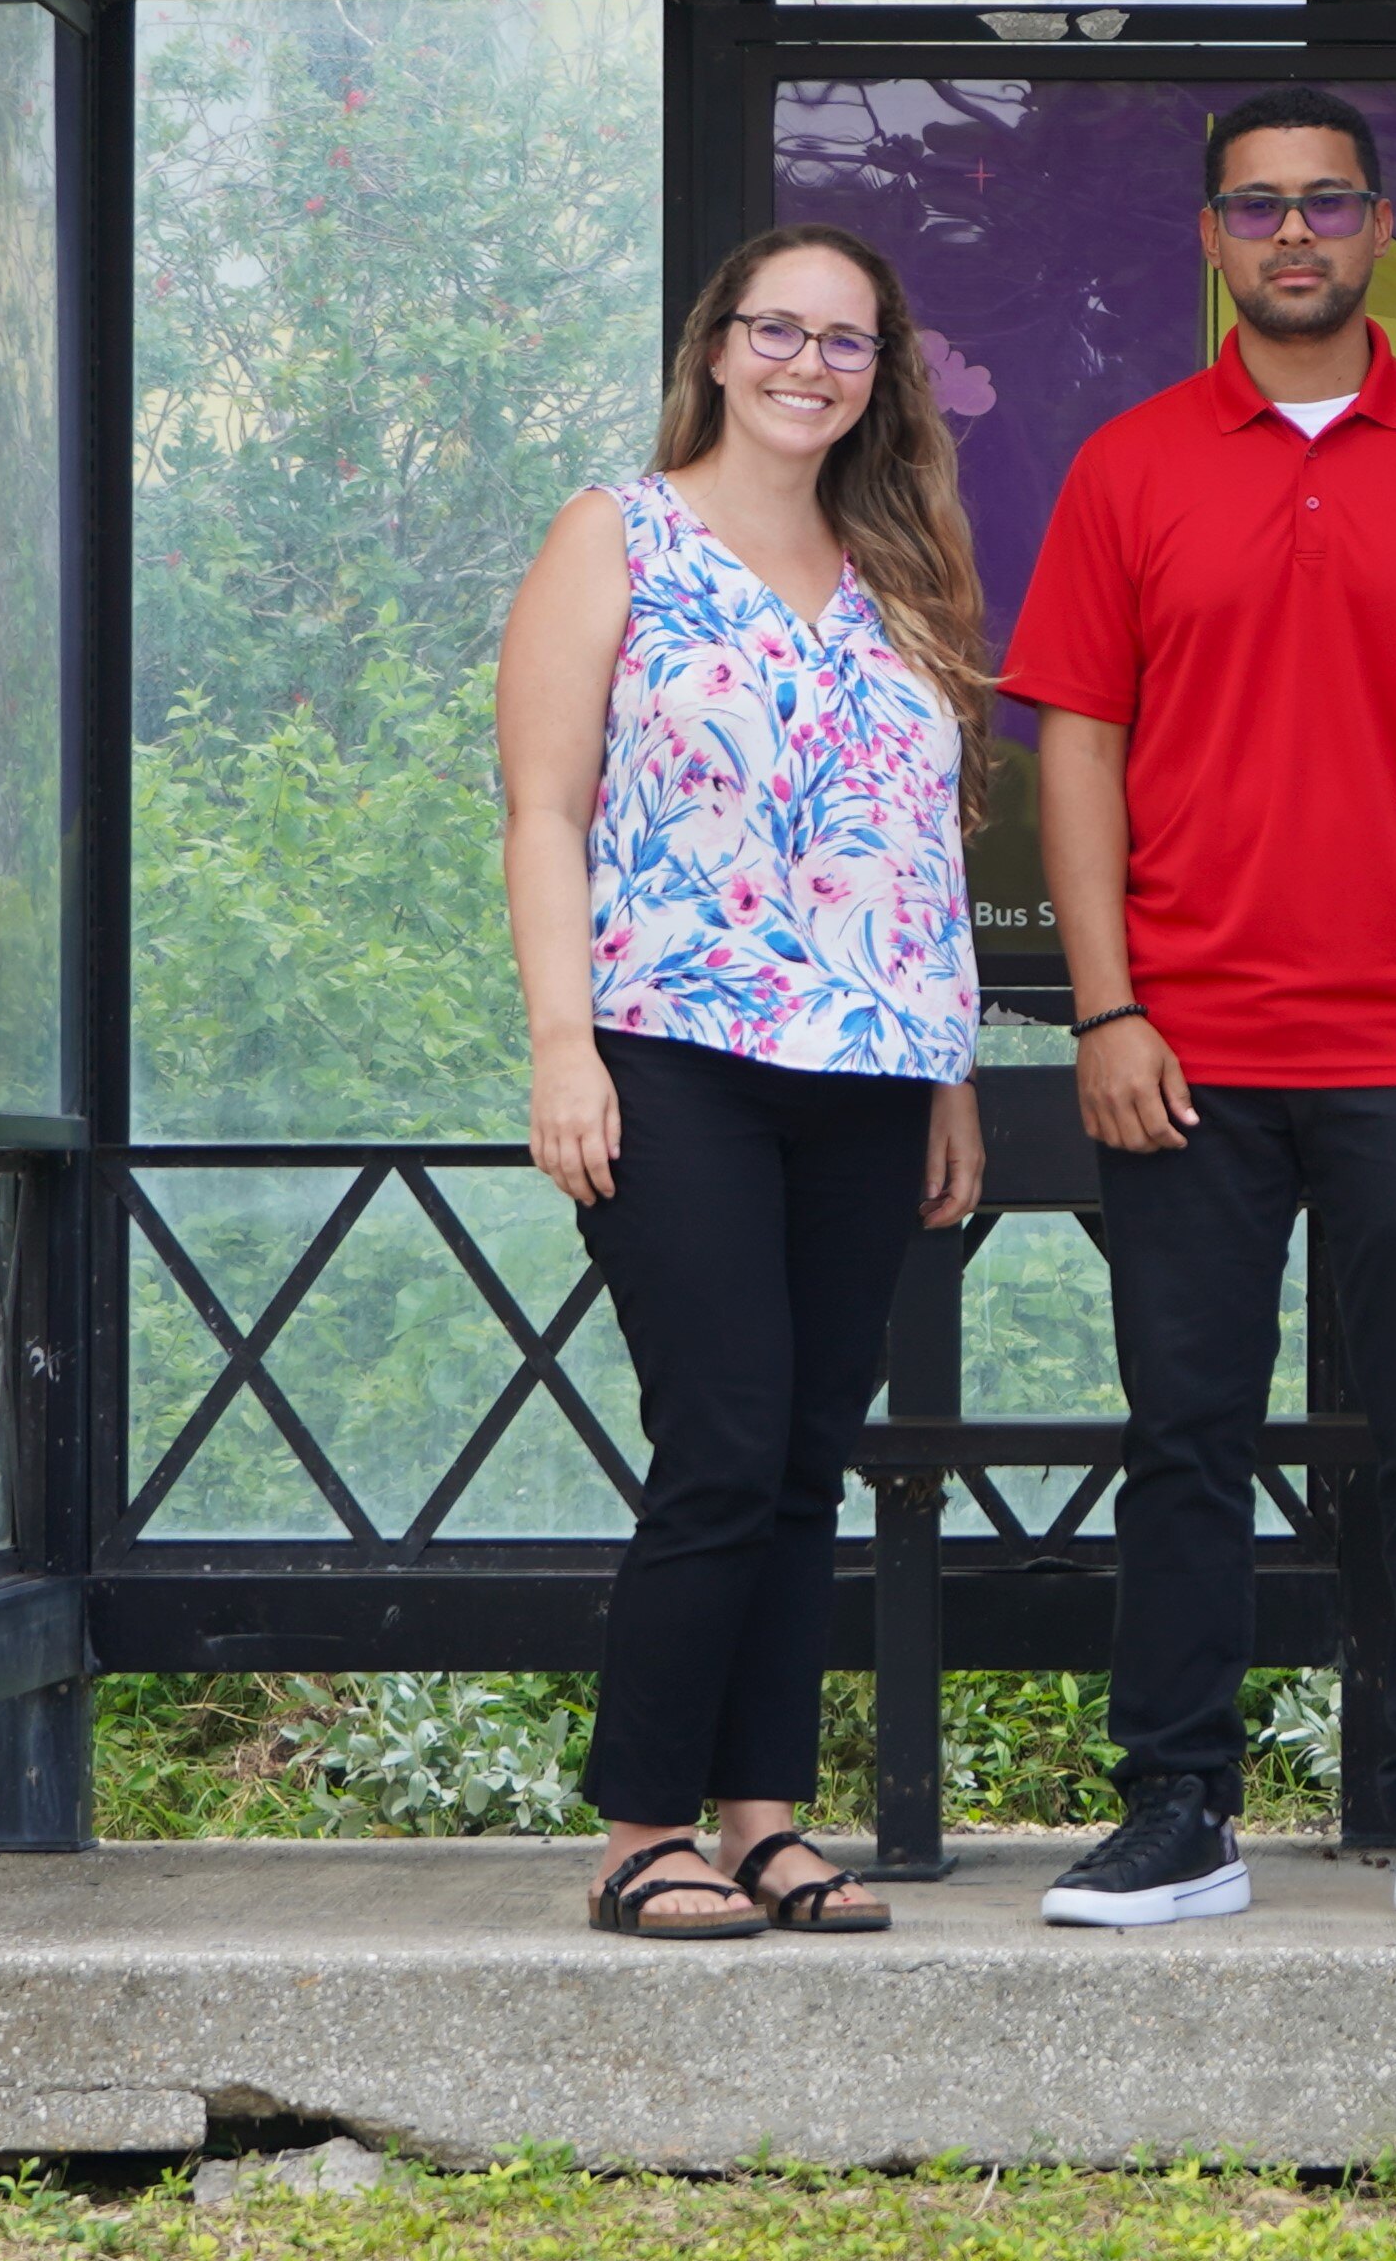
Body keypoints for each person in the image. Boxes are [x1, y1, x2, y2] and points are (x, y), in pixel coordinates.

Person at [1004, 85, 1396, 1932]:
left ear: (1379, 228)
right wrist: (1105, 1013)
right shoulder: (1129, 467)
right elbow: (1078, 750)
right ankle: (1177, 1807)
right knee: (1184, 1437)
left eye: (1327, 203)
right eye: (1257, 205)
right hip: (1183, 1053)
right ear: (1210, 236)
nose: (1291, 233)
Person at [495, 222, 993, 1939]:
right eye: (778, 330)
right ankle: (642, 1829)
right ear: (716, 347)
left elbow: (922, 846)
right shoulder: (615, 534)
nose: (808, 365)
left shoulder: (902, 568)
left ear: (880, 373)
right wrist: (563, 1044)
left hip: (872, 1066)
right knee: (718, 1437)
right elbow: (545, 809)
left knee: (803, 1451)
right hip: (672, 1050)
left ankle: (764, 1820)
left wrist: (948, 1071)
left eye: (847, 341)